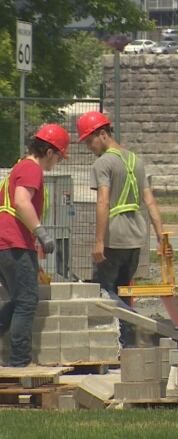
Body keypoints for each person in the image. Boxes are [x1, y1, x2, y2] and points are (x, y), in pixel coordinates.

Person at [77, 112, 169, 343]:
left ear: (103, 134)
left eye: (90, 140)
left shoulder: (103, 163)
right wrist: (161, 236)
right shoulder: (135, 161)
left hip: (113, 239)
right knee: (124, 291)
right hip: (136, 239)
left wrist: (99, 241)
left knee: (104, 292)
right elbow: (149, 201)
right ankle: (127, 344)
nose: (89, 146)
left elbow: (103, 201)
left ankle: (116, 340)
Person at [0, 124, 69, 366]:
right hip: (13, 244)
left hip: (9, 244)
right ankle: (19, 362)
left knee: (20, 299)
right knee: (27, 302)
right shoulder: (31, 169)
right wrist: (41, 233)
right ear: (49, 152)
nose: (57, 162)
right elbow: (21, 202)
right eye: (59, 156)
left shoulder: (19, 167)